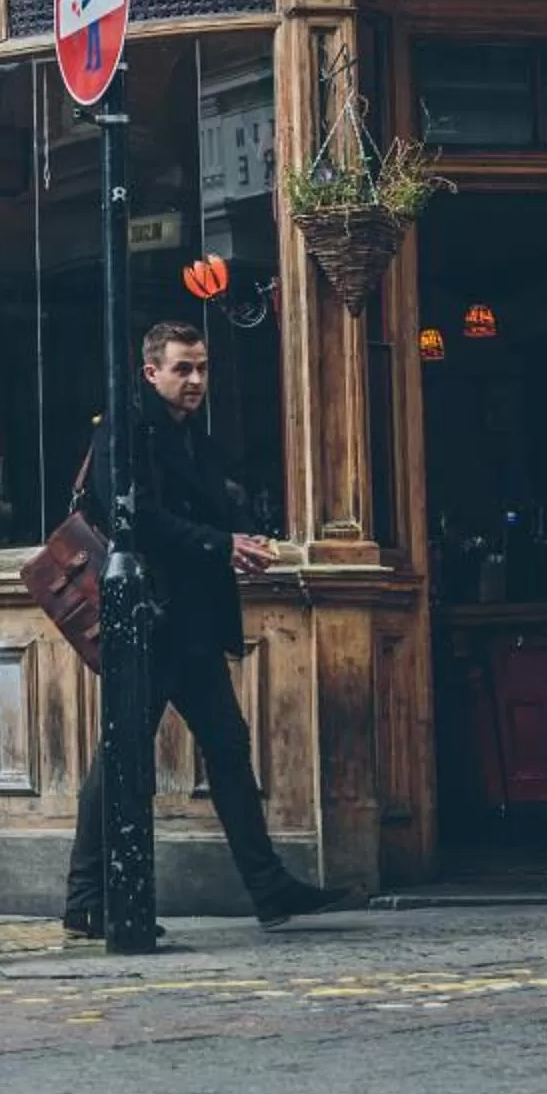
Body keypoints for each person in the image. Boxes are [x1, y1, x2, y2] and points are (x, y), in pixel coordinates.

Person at [64, 320, 346, 940]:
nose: (195, 381)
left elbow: (207, 507)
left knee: (226, 747)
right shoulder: (129, 430)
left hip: (187, 619)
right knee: (123, 753)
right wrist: (224, 545)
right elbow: (133, 518)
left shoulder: (194, 438)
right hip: (148, 618)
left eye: (202, 368)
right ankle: (86, 899)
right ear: (150, 372)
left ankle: (269, 887)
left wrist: (243, 533)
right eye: (182, 369)